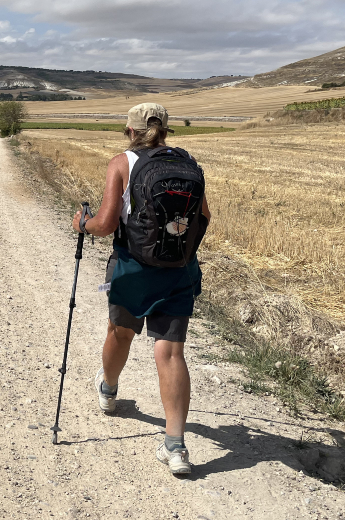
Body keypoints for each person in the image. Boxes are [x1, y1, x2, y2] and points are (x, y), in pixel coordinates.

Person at [71, 103, 210, 476]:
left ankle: (109, 390)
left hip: (133, 268)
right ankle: (175, 446)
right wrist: (182, 254)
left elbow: (104, 224)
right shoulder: (188, 164)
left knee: (121, 332)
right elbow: (206, 217)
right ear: (165, 131)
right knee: (170, 353)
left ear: (131, 131)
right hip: (179, 270)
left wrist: (81, 223)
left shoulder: (123, 162)